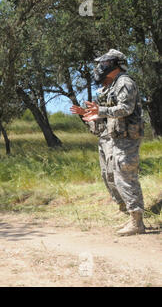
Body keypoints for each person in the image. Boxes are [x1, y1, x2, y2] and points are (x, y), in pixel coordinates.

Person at [71, 49, 145, 236]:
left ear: (115, 64)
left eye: (105, 64)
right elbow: (110, 112)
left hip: (128, 137)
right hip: (118, 136)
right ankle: (129, 215)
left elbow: (126, 108)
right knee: (113, 175)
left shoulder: (125, 82)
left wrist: (101, 110)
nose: (101, 68)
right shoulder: (114, 84)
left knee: (125, 175)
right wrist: (94, 113)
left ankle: (137, 222)